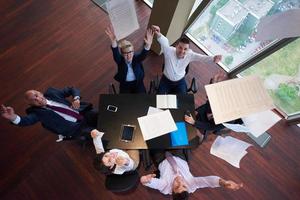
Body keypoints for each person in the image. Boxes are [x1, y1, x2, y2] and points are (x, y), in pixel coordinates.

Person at [0, 87, 97, 139]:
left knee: (104, 115)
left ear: (40, 92)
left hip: (83, 113)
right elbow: (24, 121)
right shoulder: (37, 113)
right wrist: (12, 117)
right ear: (31, 104)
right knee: (98, 135)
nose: (38, 99)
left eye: (36, 95)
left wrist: (76, 99)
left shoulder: (52, 93)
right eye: (34, 100)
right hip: (75, 128)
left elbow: (72, 89)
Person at [140, 150, 243, 199]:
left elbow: (148, 182)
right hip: (179, 156)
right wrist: (223, 183)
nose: (180, 182)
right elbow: (208, 181)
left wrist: (145, 180)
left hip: (162, 158)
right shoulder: (191, 185)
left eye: (176, 187)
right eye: (184, 186)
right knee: (176, 129)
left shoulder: (165, 187)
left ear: (172, 191)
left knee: (154, 138)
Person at [151, 25, 222, 94]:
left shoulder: (190, 55)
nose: (182, 51)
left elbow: (201, 58)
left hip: (179, 82)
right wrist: (159, 33)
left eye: (185, 49)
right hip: (166, 81)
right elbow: (164, 42)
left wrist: (213, 58)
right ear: (176, 46)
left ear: (188, 50)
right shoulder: (169, 51)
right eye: (180, 47)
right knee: (159, 100)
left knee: (183, 101)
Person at [184, 72, 243, 142]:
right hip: (209, 113)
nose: (208, 97)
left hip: (212, 123)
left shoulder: (229, 116)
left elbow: (211, 126)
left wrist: (194, 122)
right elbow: (207, 104)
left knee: (196, 135)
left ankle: (200, 137)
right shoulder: (221, 97)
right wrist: (213, 82)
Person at [105, 27, 154, 93]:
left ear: (133, 52)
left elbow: (143, 55)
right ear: (122, 54)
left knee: (142, 98)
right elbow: (116, 53)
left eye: (130, 52)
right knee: (124, 101)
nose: (129, 56)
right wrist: (113, 42)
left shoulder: (136, 58)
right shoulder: (120, 60)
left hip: (138, 83)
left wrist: (148, 45)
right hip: (125, 85)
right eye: (126, 53)